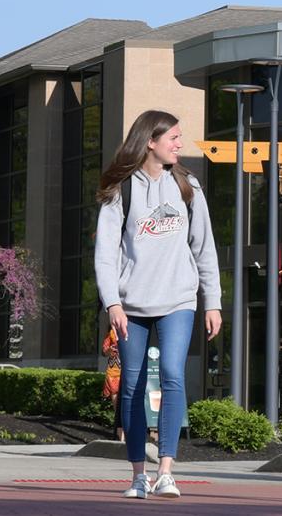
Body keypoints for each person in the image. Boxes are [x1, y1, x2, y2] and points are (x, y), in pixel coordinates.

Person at [94, 110, 222, 500]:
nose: (180, 144)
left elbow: (205, 249)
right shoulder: (121, 191)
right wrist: (112, 303)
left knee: (172, 375)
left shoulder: (188, 187)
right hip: (131, 305)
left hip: (178, 300)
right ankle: (137, 475)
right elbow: (104, 255)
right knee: (130, 386)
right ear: (151, 140)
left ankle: (166, 470)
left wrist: (212, 301)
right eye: (174, 138)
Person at [101, 326, 124, 441]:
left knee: (126, 402)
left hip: (127, 371)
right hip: (113, 372)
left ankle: (125, 432)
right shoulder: (110, 334)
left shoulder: (131, 330)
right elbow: (104, 351)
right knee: (116, 403)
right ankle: (120, 435)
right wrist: (108, 351)